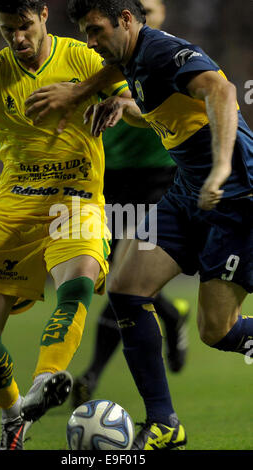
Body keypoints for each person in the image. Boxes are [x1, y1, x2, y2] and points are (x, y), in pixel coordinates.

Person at [27, 0, 253, 451]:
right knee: (127, 291)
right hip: (188, 191)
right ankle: (164, 423)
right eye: (85, 34)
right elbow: (145, 95)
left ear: (127, 20)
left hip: (236, 197)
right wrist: (120, 105)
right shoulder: (130, 60)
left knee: (218, 331)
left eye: (96, 31)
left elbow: (223, 93)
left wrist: (223, 165)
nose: (91, 42)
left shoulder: (163, 51)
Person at [0, 0, 129, 450]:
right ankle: (15, 414)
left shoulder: (82, 57)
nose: (17, 38)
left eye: (25, 26)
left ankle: (47, 379)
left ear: (44, 16)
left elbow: (132, 90)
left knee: (80, 278)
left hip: (75, 200)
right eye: (7, 28)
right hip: (15, 210)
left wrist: (118, 102)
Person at [70, 0, 190, 410]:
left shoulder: (167, 53)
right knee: (117, 277)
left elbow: (158, 108)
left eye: (151, 8)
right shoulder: (106, 55)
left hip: (159, 176)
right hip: (112, 177)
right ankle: (172, 316)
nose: (147, 14)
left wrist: (124, 106)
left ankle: (93, 373)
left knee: (123, 273)